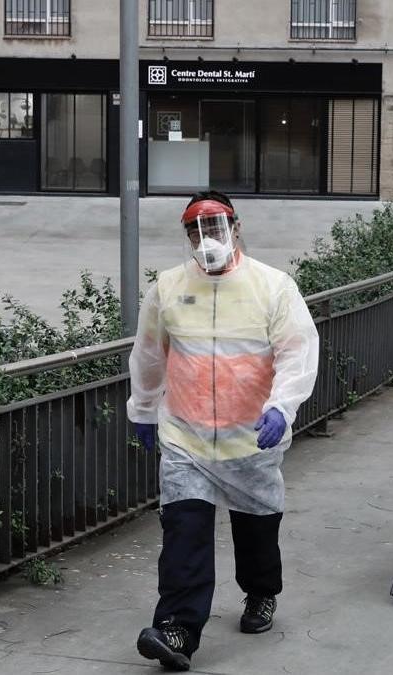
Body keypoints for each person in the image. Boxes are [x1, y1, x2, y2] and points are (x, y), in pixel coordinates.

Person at [127, 190, 320, 671]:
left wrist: (282, 407)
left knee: (256, 532)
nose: (205, 236)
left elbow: (298, 350)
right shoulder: (168, 287)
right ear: (186, 235)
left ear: (237, 228)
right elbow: (150, 353)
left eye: (214, 226)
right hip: (185, 439)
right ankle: (177, 628)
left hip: (250, 439)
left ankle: (260, 593)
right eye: (195, 229)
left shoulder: (272, 287)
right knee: (183, 533)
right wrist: (144, 409)